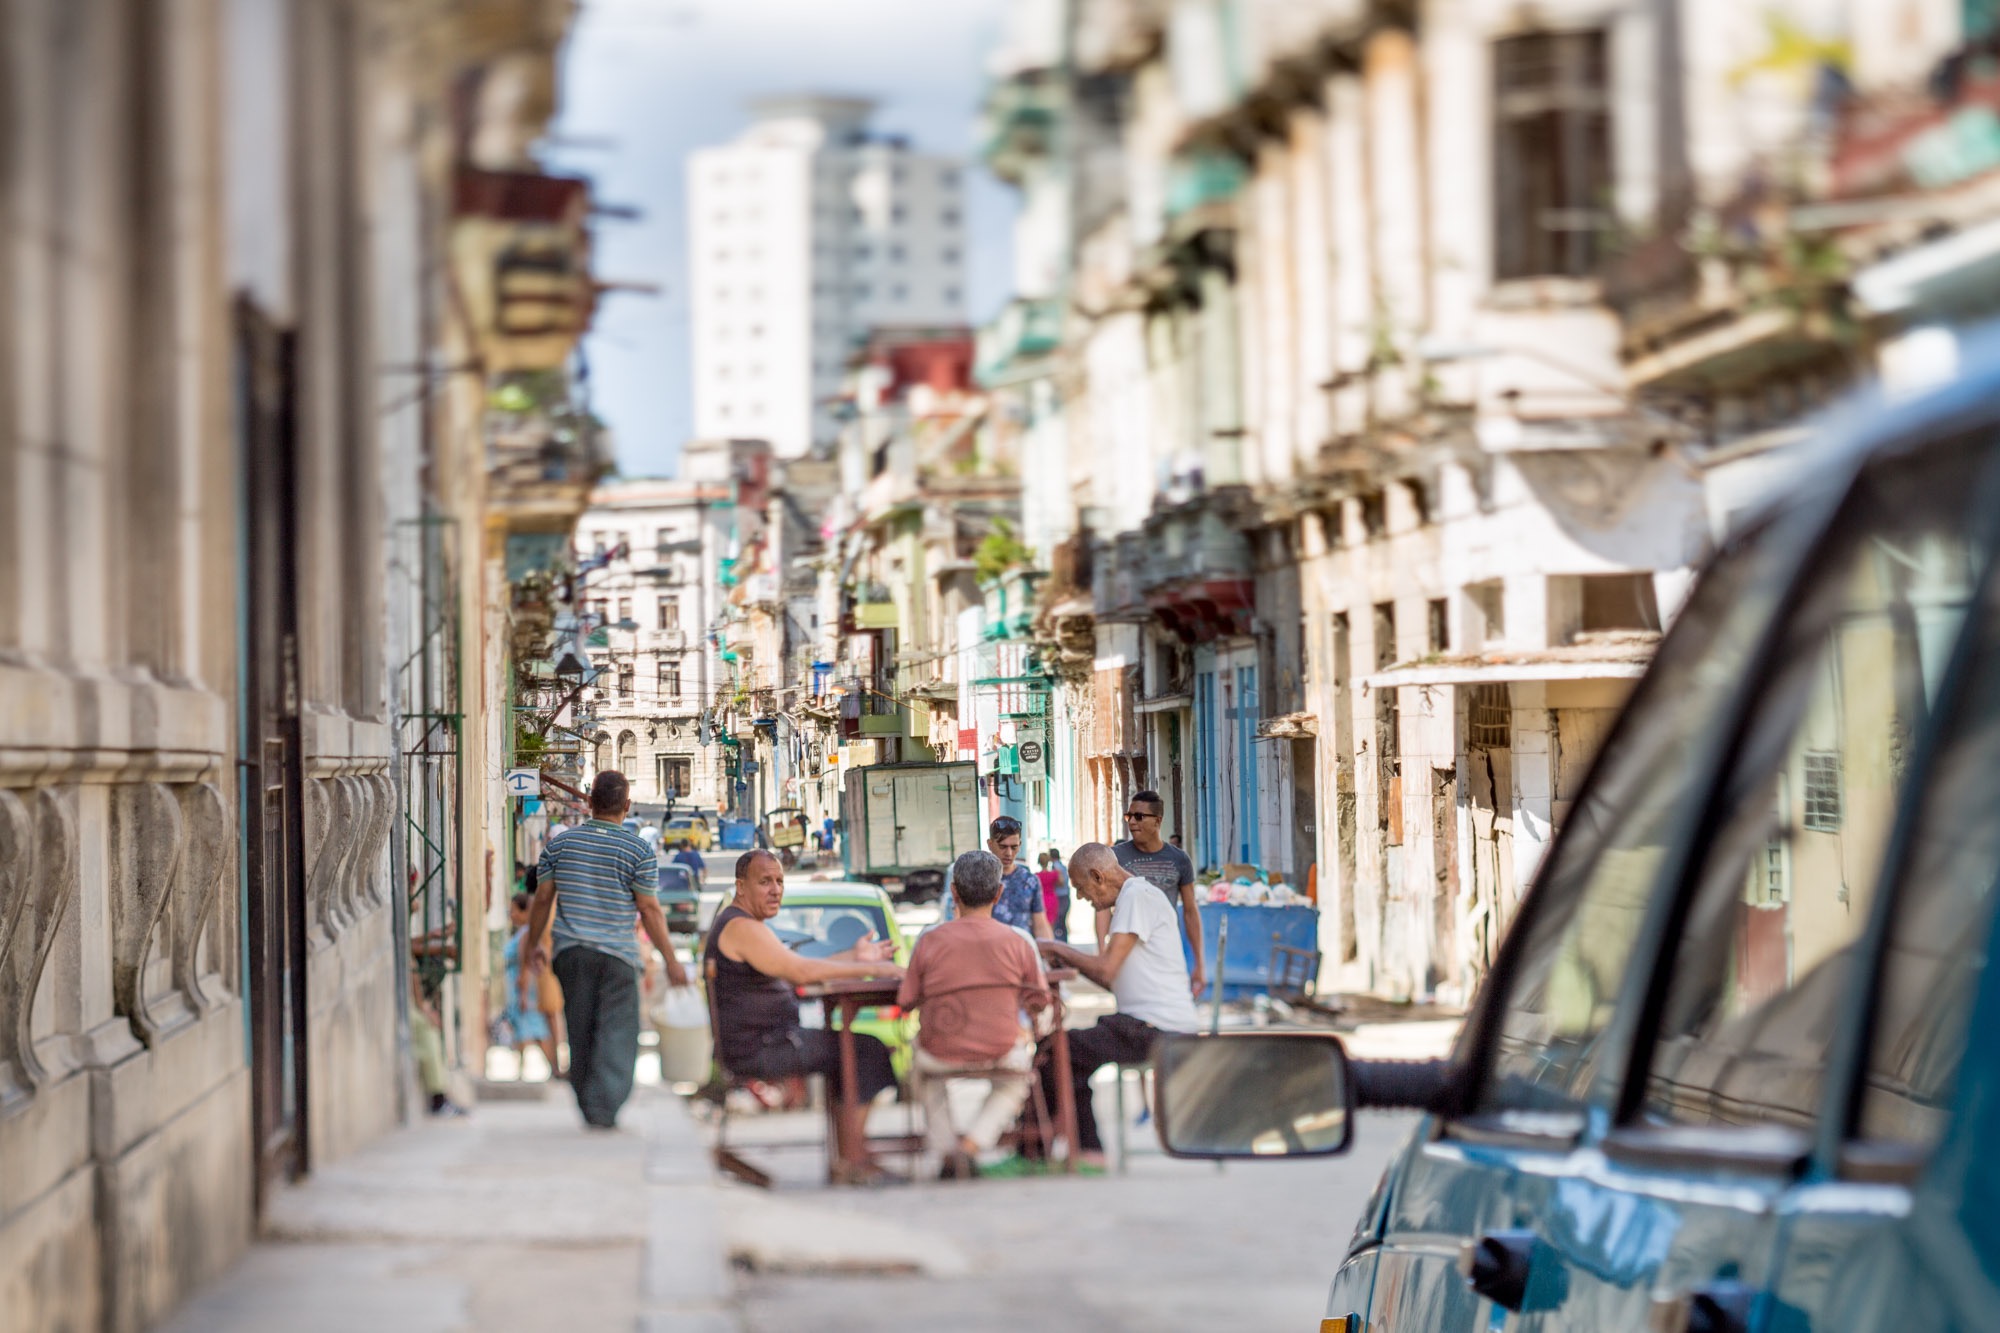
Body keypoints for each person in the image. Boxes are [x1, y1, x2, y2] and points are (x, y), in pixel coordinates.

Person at [704, 848, 905, 1184]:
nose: (775, 889)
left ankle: (849, 1159)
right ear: (741, 887)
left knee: (852, 1050)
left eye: (780, 881)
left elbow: (791, 967)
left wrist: (854, 957)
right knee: (865, 1050)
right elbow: (799, 971)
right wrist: (874, 967)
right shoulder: (741, 926)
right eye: (764, 881)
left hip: (772, 1041)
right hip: (763, 1049)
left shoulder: (746, 925)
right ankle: (853, 1159)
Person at [523, 769, 689, 1129]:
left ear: (588, 802)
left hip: (570, 954)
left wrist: (533, 944)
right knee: (617, 1031)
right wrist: (671, 960)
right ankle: (605, 1106)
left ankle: (589, 1104)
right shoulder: (638, 851)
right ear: (626, 806)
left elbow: (541, 901)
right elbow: (649, 909)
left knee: (579, 1027)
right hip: (617, 956)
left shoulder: (559, 845)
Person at [1036, 842, 1198, 1168]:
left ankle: (1068, 1150)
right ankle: (1069, 1147)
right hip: (1147, 1024)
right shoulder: (1137, 896)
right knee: (1062, 1050)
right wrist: (1069, 961)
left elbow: (1106, 969)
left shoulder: (1135, 896)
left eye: (1083, 890)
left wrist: (1056, 947)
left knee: (1057, 1050)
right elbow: (1113, 980)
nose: (1083, 899)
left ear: (1098, 877)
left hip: (1157, 1029)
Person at [900, 851, 1051, 1179]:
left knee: (924, 1075)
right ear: (999, 893)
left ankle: (946, 1153)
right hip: (1001, 1049)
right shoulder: (1020, 941)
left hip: (940, 1053)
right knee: (1014, 1083)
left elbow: (907, 1000)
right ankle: (971, 1146)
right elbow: (1039, 1000)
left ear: (953, 893)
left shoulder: (928, 941)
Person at [1106, 790, 1204, 997]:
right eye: (1129, 816)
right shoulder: (1115, 857)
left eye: (1139, 816)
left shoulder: (1179, 859)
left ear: (1157, 821)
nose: (1132, 822)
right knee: (1133, 1012)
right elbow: (1102, 908)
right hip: (1128, 948)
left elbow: (1190, 912)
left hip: (1165, 948)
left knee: (1167, 1003)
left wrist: (1200, 963)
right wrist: (1102, 952)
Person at [942, 816, 1052, 939]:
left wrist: (1048, 953)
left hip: (1020, 953)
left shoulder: (1030, 881)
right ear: (990, 844)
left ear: (1020, 845)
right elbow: (957, 918)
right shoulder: (975, 876)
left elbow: (1040, 924)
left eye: (1014, 847)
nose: (1009, 853)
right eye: (1003, 847)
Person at [505, 892, 558, 1078]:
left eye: (514, 911)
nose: (511, 915)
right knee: (526, 1029)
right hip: (518, 987)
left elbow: (524, 964)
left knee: (534, 1029)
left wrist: (523, 993)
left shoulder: (527, 934)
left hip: (522, 987)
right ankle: (527, 1069)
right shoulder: (523, 933)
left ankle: (553, 1067)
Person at [1045, 848, 1071, 941]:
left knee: (1058, 922)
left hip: (1060, 896)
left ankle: (1060, 941)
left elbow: (1061, 882)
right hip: (1065, 895)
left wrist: (1052, 880)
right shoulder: (1062, 866)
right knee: (1062, 922)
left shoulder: (1056, 867)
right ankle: (1063, 941)